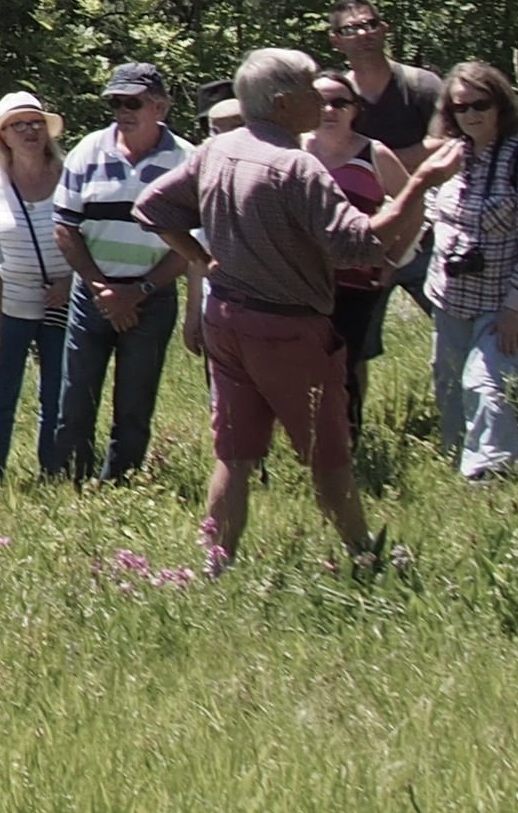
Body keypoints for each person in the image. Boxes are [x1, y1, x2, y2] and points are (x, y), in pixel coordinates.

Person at [132, 44, 447, 570]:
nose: (321, 98)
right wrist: (420, 184)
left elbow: (151, 206)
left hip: (227, 321)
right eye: (309, 89)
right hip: (289, 330)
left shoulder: (219, 149)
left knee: (234, 455)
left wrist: (204, 259)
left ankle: (216, 564)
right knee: (328, 456)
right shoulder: (297, 167)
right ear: (282, 103)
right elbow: (364, 244)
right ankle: (363, 555)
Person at [415, 57, 518, 482]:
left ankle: (494, 475)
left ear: (501, 106)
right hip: (450, 297)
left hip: (503, 301)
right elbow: (429, 219)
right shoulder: (449, 159)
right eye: (461, 107)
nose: (471, 114)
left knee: (487, 384)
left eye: (481, 104)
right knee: (452, 386)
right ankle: (457, 462)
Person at [54, 62, 193, 482]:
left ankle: (121, 484)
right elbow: (64, 226)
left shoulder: (187, 161)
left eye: (132, 102)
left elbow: (192, 245)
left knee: (135, 402)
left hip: (153, 299)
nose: (122, 111)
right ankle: (70, 483)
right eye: (115, 102)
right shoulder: (88, 151)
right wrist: (101, 288)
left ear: (160, 106)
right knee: (75, 399)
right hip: (92, 295)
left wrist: (140, 291)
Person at [0, 92, 67, 505]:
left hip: (63, 302)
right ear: (3, 135)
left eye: (36, 122)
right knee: (0, 394)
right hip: (9, 306)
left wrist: (71, 282)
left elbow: (87, 236)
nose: (29, 131)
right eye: (18, 125)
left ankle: (55, 473)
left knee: (58, 393)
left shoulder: (68, 173)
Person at [306, 68, 399, 440]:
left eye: (339, 102)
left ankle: (346, 444)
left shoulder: (374, 153)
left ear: (354, 109)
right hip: (299, 282)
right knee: (296, 366)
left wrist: (391, 261)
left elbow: (414, 206)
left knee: (343, 367)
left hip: (356, 284)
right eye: (320, 102)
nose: (329, 110)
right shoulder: (293, 149)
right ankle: (302, 444)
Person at [330, 0, 445, 164]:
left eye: (370, 25)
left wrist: (381, 164)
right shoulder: (337, 97)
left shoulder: (422, 84)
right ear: (336, 41)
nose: (363, 34)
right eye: (350, 30)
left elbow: (445, 142)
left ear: (384, 29)